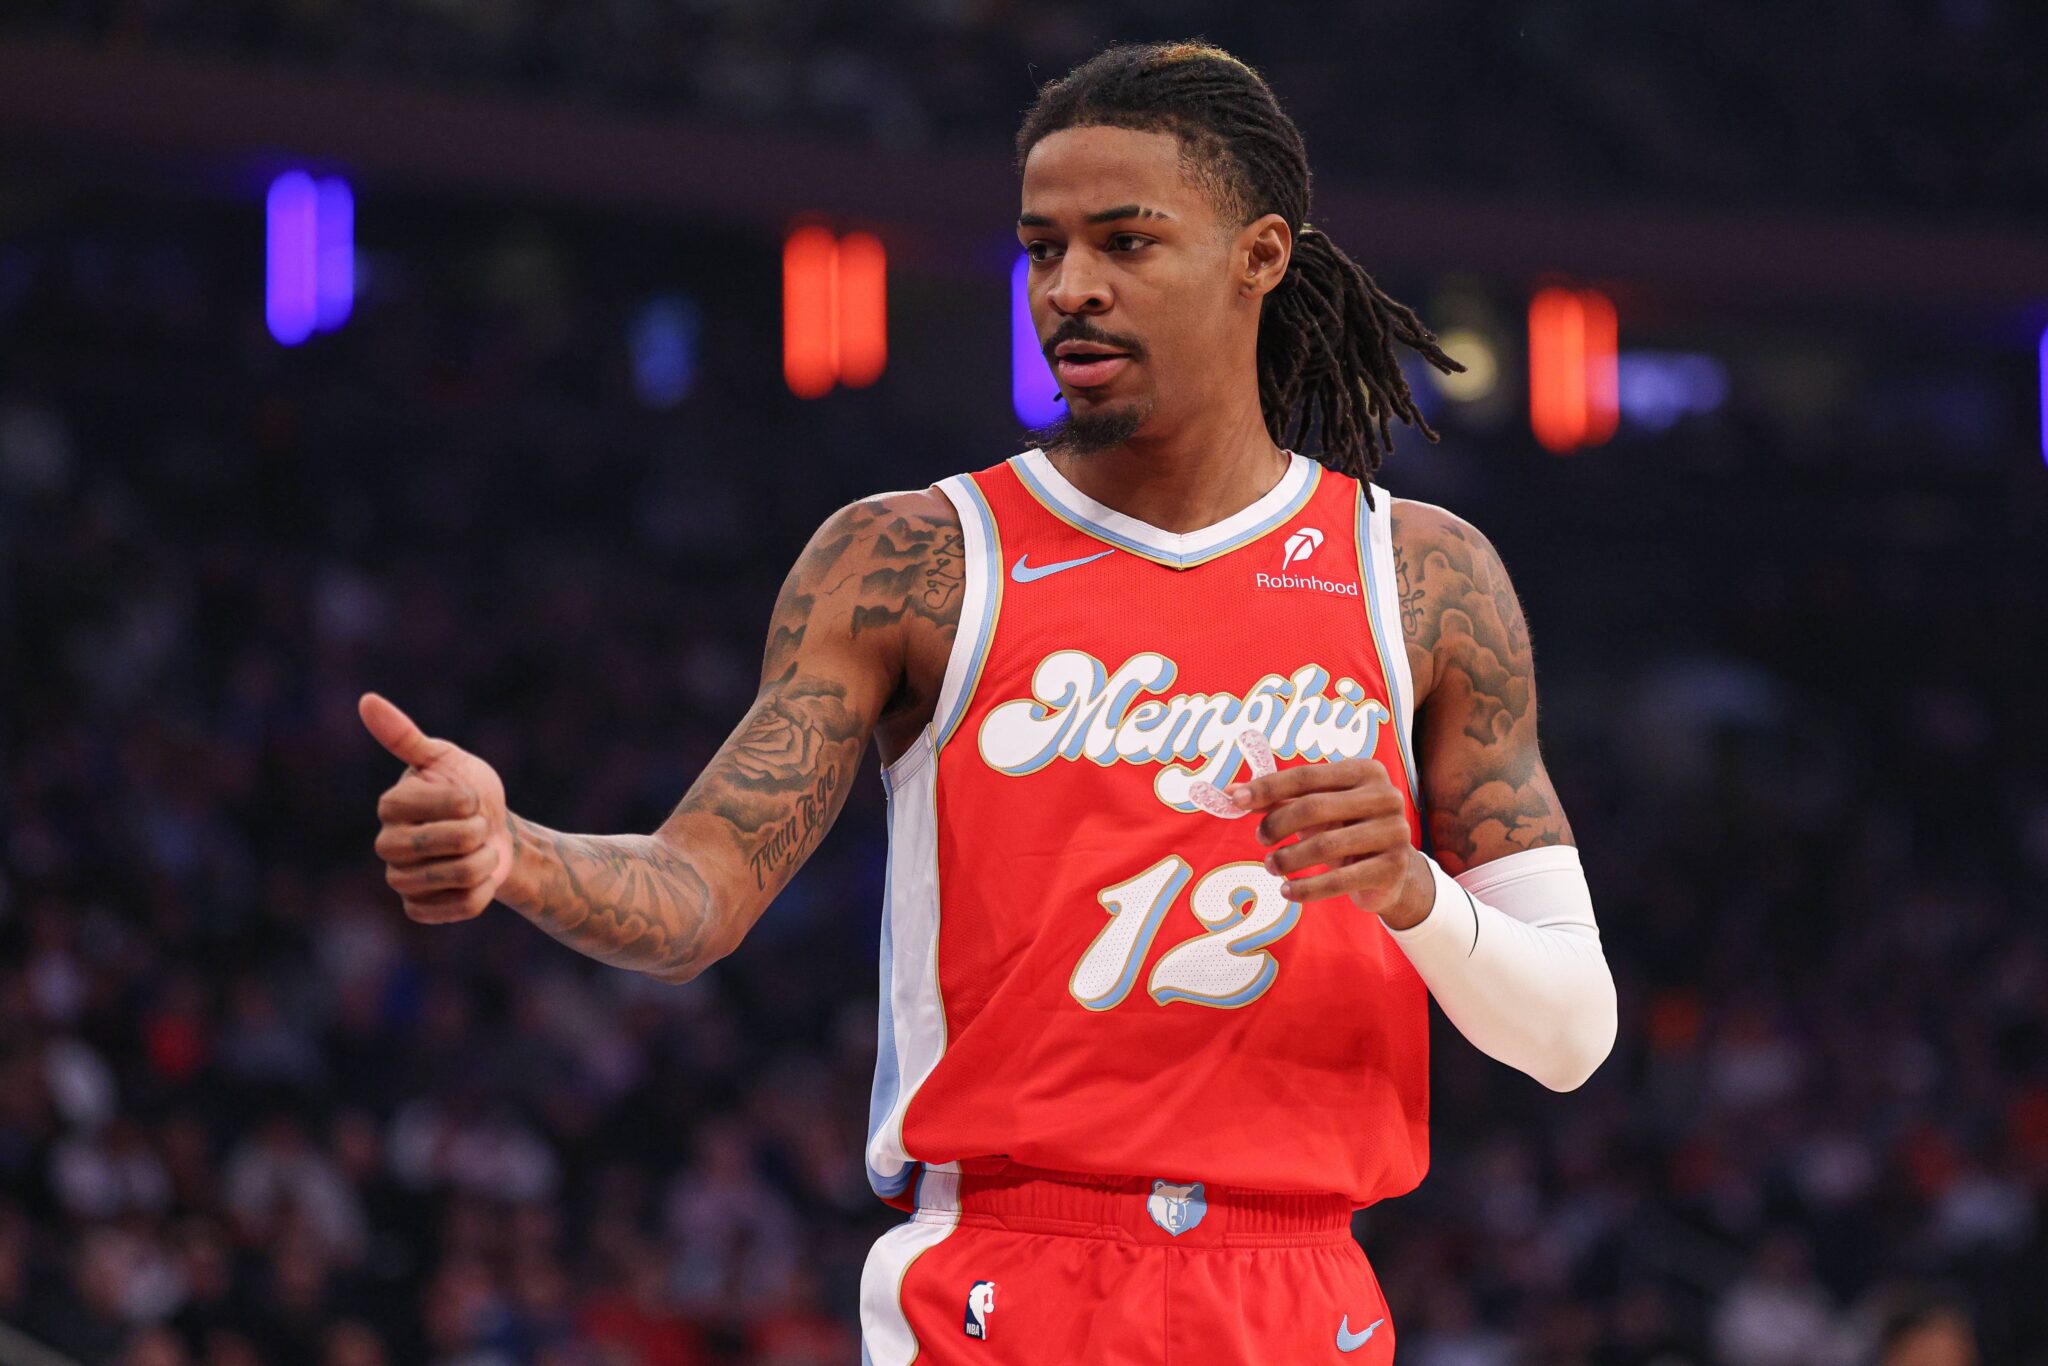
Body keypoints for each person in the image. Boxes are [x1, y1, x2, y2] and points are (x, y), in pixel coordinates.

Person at [361, 41, 1618, 1364]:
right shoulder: (912, 557)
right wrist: (517, 854)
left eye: (1125, 242)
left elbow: (1573, 1033)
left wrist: (1415, 894)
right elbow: (696, 894)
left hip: (1305, 1287)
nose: (1070, 288)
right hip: (1003, 1283)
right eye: (1042, 249)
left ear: (1259, 256)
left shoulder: (1419, 577)